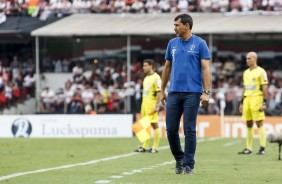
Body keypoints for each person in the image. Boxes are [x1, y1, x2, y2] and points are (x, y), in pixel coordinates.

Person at [160, 14, 211, 175]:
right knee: (171, 129)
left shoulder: (200, 43)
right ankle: (179, 158)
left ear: (186, 26)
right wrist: (162, 91)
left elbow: (206, 69)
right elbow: (167, 68)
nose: (174, 28)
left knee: (189, 129)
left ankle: (189, 164)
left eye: (177, 25)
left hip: (192, 93)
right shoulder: (172, 44)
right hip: (174, 92)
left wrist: (206, 92)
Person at [238, 52, 268, 155]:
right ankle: (248, 148)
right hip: (247, 99)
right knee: (248, 123)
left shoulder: (261, 72)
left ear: (254, 59)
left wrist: (264, 102)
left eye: (249, 58)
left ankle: (262, 148)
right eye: (246, 58)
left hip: (257, 99)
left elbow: (265, 88)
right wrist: (241, 102)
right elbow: (245, 87)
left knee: (259, 122)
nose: (247, 60)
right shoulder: (245, 72)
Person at [134, 59, 162, 153]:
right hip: (144, 104)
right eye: (143, 65)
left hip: (152, 104)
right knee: (144, 125)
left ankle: (155, 147)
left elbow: (159, 92)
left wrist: (157, 105)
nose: (143, 67)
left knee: (154, 124)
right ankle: (145, 146)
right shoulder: (146, 78)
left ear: (151, 66)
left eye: (145, 65)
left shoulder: (156, 77)